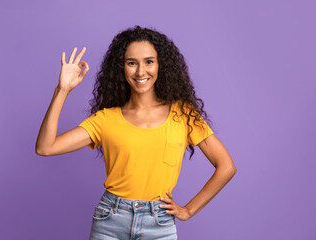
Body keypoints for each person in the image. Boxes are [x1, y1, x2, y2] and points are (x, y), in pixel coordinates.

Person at [36, 25, 236, 240]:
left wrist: (188, 210)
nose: (141, 72)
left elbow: (226, 167)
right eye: (132, 63)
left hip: (159, 223)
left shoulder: (183, 114)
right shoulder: (106, 119)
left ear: (161, 66)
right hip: (110, 220)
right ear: (121, 68)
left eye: (149, 62)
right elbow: (46, 148)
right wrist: (62, 90)